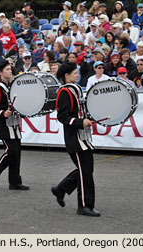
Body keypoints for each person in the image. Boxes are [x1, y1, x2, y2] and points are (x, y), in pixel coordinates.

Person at [52, 62, 100, 217]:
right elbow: (62, 116)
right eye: (74, 73)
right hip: (75, 138)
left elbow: (81, 110)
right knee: (85, 172)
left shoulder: (76, 88)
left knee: (86, 169)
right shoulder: (64, 92)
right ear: (66, 76)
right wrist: (80, 122)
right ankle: (84, 205)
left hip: (83, 136)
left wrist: (88, 118)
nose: (77, 75)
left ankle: (61, 189)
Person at [0, 60, 29, 191]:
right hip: (4, 125)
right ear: (0, 72)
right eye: (8, 69)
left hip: (14, 124)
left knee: (17, 152)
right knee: (11, 151)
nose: (11, 71)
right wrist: (3, 113)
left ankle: (15, 181)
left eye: (10, 69)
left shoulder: (11, 86)